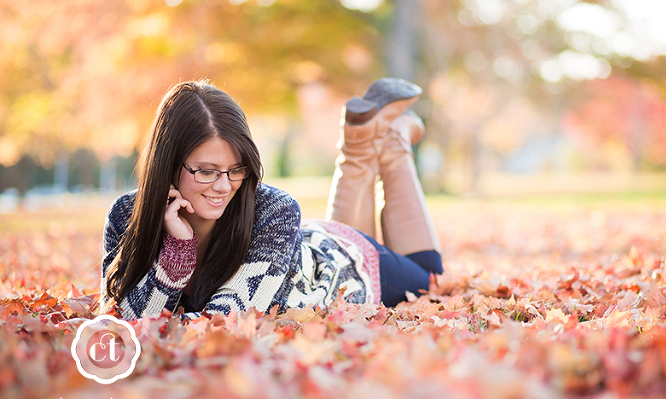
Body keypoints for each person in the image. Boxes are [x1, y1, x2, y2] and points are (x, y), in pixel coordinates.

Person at [100, 78, 443, 320]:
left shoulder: (273, 208)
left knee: (430, 276)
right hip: (304, 251)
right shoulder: (125, 215)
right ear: (168, 165)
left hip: (338, 263)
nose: (223, 186)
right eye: (206, 171)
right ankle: (360, 142)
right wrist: (177, 249)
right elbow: (116, 317)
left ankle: (394, 137)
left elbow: (224, 322)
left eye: (237, 169)